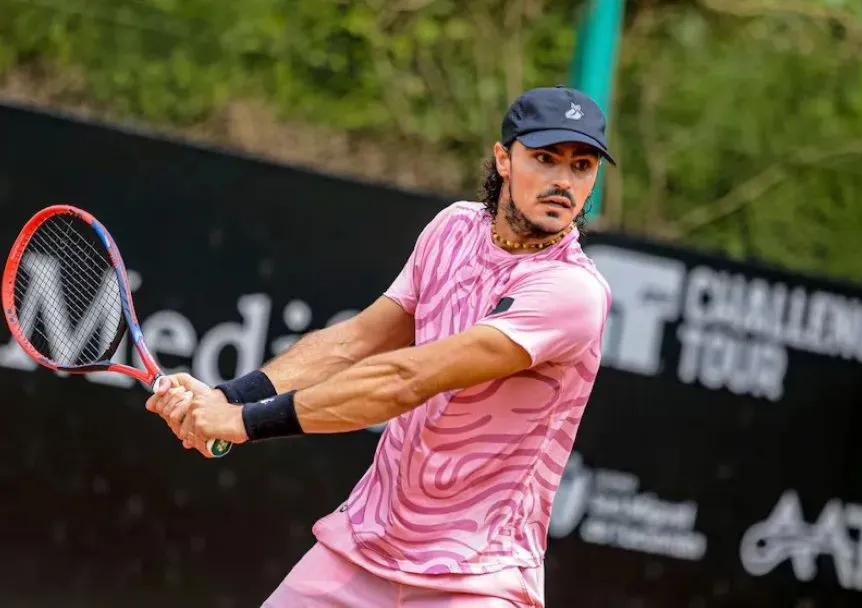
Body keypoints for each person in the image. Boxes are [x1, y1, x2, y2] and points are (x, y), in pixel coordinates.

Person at [147, 85, 614, 607]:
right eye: (545, 159)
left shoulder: (572, 292)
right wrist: (230, 395)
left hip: (476, 580)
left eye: (582, 166)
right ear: (503, 159)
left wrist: (241, 422)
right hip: (362, 547)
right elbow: (357, 339)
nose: (562, 182)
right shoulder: (453, 229)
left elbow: (406, 380)